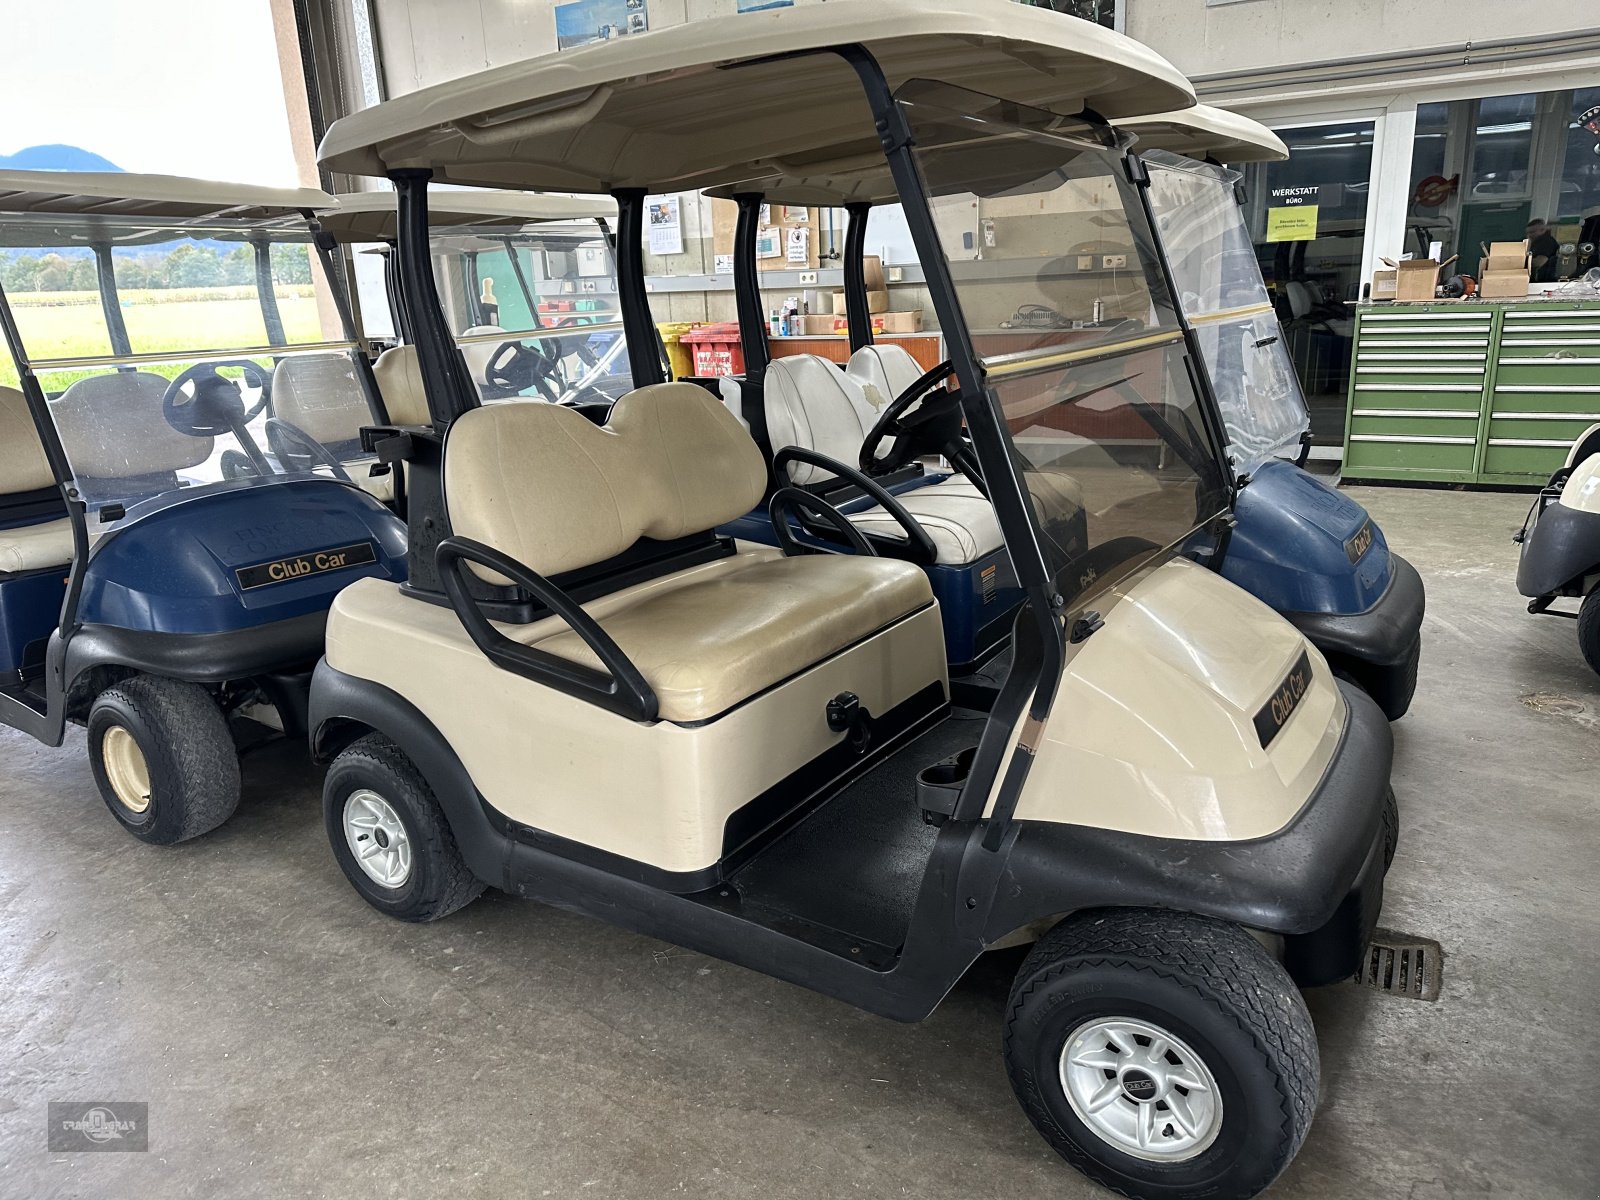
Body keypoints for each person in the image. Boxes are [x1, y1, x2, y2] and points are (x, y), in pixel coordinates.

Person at [1527, 219, 1561, 283]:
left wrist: (1521, 262)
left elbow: (1539, 262)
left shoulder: (1546, 241)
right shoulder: (1536, 243)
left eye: (1532, 232)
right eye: (1528, 233)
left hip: (1545, 281)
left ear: (1542, 230)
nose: (1529, 235)